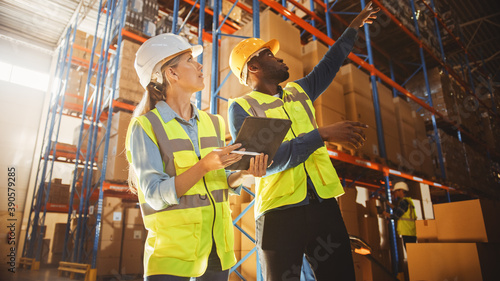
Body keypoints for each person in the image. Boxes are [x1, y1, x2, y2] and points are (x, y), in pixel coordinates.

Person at [227, 2, 380, 280]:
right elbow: (265, 162)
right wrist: (321, 134)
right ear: (254, 66)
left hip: (323, 204)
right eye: (270, 56)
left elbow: (330, 64)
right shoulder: (241, 107)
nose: (280, 59)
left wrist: (352, 28)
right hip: (279, 211)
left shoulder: (300, 90)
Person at [125, 33, 268, 281]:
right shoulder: (145, 126)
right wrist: (203, 166)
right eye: (190, 60)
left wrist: (242, 173)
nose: (200, 65)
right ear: (172, 73)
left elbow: (219, 180)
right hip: (172, 256)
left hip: (217, 250)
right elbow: (155, 196)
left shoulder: (214, 123)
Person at [382, 181, 417, 249]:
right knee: (413, 253)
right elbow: (398, 210)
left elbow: (396, 216)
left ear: (401, 190)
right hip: (411, 232)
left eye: (396, 191)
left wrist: (384, 213)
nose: (395, 193)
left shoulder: (403, 202)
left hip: (407, 232)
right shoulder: (408, 200)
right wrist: (387, 203)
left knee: (411, 253)